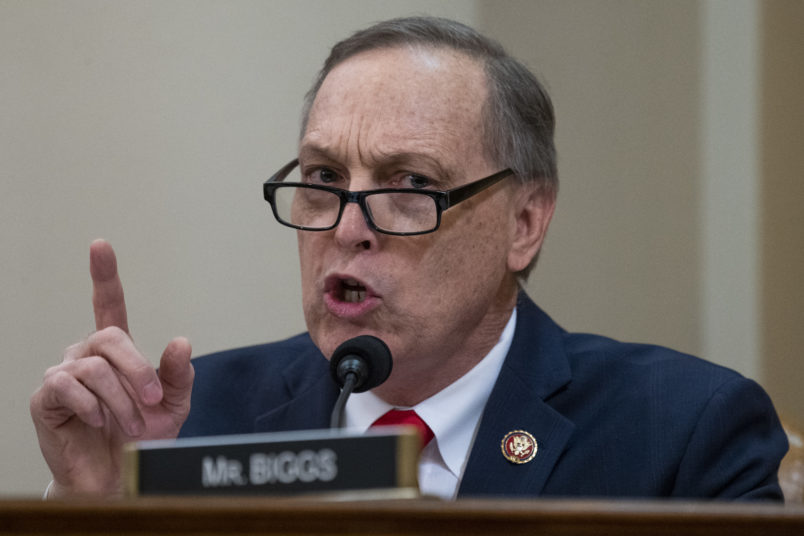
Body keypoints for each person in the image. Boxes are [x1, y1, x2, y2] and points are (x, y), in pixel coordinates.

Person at [30, 16, 787, 500]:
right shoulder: (192, 426)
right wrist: (94, 511)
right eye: (324, 178)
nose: (348, 228)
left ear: (525, 222)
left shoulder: (681, 434)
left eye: (411, 185)